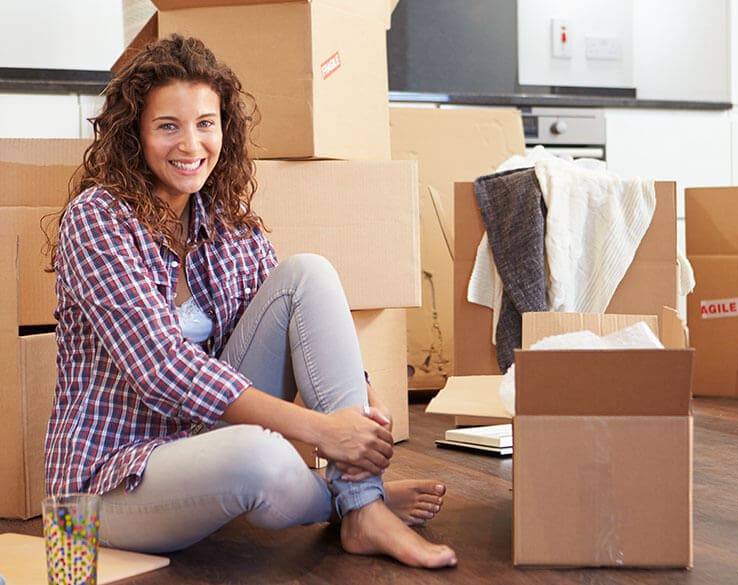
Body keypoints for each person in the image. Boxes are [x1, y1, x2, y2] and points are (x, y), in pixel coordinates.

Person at [43, 34, 457, 569]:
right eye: (168, 126)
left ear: (224, 129)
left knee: (308, 272)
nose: (190, 145)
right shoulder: (97, 219)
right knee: (259, 458)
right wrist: (325, 432)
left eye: (205, 124)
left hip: (199, 443)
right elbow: (162, 370)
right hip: (105, 485)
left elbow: (298, 330)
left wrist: (362, 412)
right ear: (135, 134)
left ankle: (361, 507)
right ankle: (351, 501)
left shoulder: (225, 221)